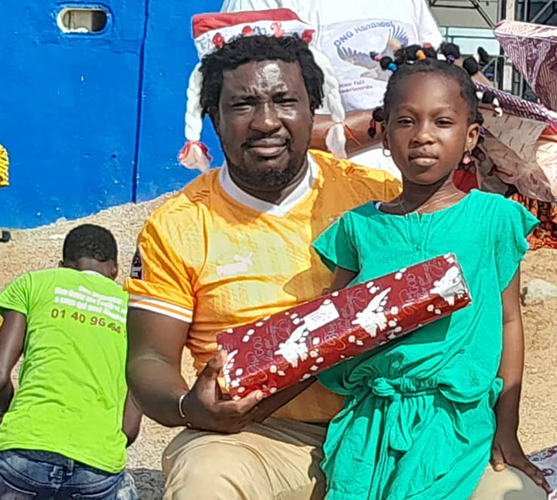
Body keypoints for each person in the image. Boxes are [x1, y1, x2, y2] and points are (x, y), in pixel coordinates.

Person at [124, 23, 401, 500]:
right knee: (205, 479)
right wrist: (191, 408)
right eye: (243, 105)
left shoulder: (379, 198)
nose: (266, 121)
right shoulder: (176, 227)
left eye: (285, 101)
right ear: (213, 118)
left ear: (313, 111)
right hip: (257, 437)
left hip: (389, 425)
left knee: (509, 489)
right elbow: (150, 358)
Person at [311, 46, 550, 500]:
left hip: (455, 420)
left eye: (442, 122)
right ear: (384, 135)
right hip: (369, 422)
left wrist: (508, 426)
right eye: (406, 121)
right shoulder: (359, 227)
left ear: (471, 136)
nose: (423, 136)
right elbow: (333, 322)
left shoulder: (493, 218)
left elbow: (508, 320)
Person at [218, 0, 445, 177]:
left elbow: (443, 81)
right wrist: (395, 121)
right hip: (318, 199)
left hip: (413, 196)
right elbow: (259, 124)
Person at [0, 224, 141, 500]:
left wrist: (6, 412)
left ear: (63, 266)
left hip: (23, 453)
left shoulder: (32, 284)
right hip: (96, 468)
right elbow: (129, 426)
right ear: (115, 269)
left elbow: (0, 375)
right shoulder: (134, 308)